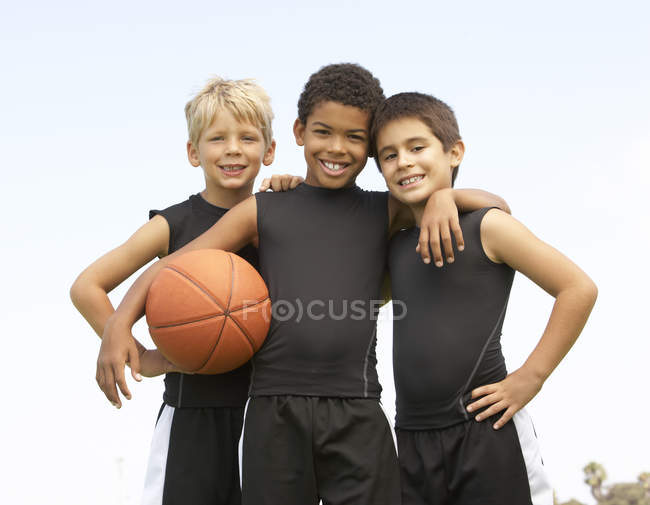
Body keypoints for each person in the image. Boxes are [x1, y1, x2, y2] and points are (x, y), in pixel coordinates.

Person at [96, 63, 508, 505]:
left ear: (370, 147)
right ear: (299, 131)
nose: (337, 147)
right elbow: (176, 265)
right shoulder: (263, 210)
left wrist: (445, 196)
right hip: (273, 412)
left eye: (354, 137)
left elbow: (496, 206)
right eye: (323, 132)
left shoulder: (383, 210)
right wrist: (119, 324)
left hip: (359, 410)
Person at [70, 76, 302, 505]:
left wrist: (293, 190)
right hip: (192, 414)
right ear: (194, 152)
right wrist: (143, 354)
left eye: (248, 138)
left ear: (269, 151)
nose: (233, 149)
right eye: (217, 138)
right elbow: (87, 286)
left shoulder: (283, 217)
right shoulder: (173, 223)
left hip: (270, 413)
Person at [371, 91, 598, 505]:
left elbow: (578, 288)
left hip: (488, 431)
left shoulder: (487, 227)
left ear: (454, 152)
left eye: (416, 147)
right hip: (411, 441)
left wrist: (530, 378)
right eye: (388, 155)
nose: (403, 161)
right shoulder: (395, 244)